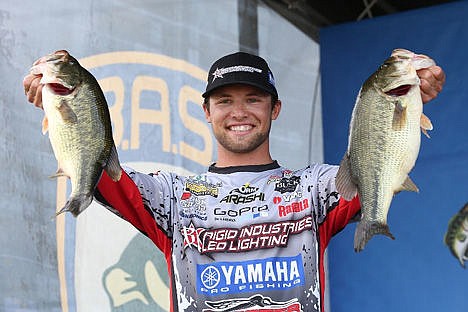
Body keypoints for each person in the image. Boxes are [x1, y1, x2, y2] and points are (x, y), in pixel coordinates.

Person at [23, 51, 445, 312]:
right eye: (224, 100)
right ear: (206, 111)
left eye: (253, 99)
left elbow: (378, 164)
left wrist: (409, 96)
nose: (238, 112)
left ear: (275, 108)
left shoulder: (315, 188)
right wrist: (61, 98)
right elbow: (98, 171)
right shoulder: (173, 197)